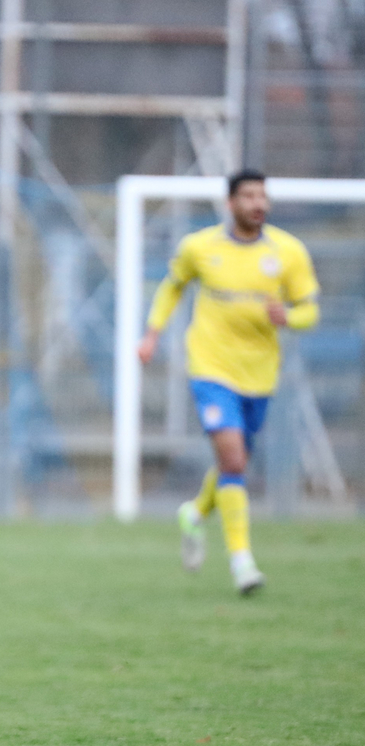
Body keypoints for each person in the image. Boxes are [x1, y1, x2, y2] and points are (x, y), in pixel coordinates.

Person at [138, 168, 319, 594]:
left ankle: (196, 513)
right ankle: (243, 564)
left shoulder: (288, 252)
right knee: (234, 461)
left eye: (263, 196)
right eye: (249, 196)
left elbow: (310, 311)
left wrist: (289, 317)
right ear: (230, 204)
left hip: (259, 373)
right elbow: (171, 287)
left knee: (230, 465)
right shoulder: (199, 248)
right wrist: (151, 333)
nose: (258, 203)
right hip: (210, 367)